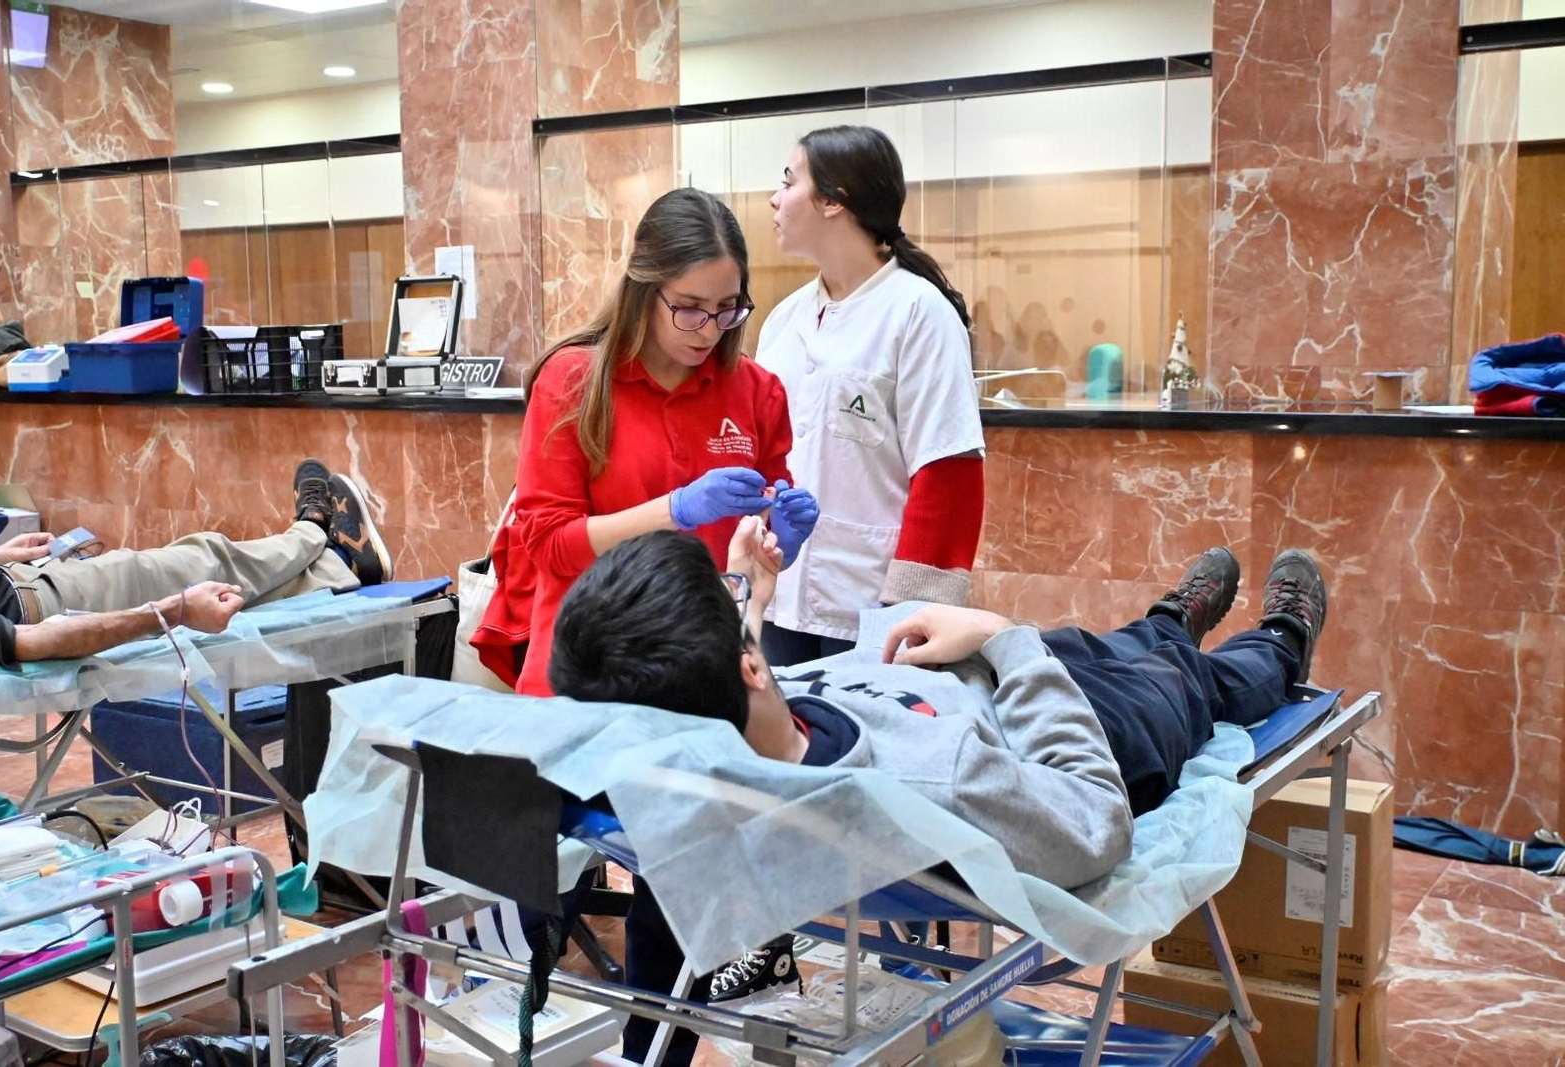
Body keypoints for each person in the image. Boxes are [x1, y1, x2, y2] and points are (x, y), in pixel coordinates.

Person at [546, 524, 1328, 1054]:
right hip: (1092, 726)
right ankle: (1279, 640)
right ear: (749, 667)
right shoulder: (932, 784)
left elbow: (717, 677)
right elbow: (1095, 820)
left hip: (980, 678)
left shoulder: (702, 759)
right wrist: (999, 638)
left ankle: (1167, 619)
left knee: (1105, 642)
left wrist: (752, 585)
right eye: (735, 610)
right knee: (1201, 680)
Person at [496, 187, 819, 696]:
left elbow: (753, 552)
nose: (709, 330)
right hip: (586, 670)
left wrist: (780, 539)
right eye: (689, 308)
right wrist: (677, 510)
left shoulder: (756, 391)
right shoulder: (573, 382)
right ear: (645, 290)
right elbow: (548, 544)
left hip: (700, 671)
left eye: (727, 308)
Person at [754, 124, 986, 667]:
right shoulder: (783, 320)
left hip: (874, 602)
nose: (774, 197)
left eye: (788, 181)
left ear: (835, 200)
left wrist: (916, 608)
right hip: (780, 588)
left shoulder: (918, 312)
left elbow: (948, 470)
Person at [0, 458, 390, 671]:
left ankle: (339, 567)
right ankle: (313, 530)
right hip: (35, 608)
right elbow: (25, 642)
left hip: (12, 581)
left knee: (206, 571)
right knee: (203, 560)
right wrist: (174, 612)